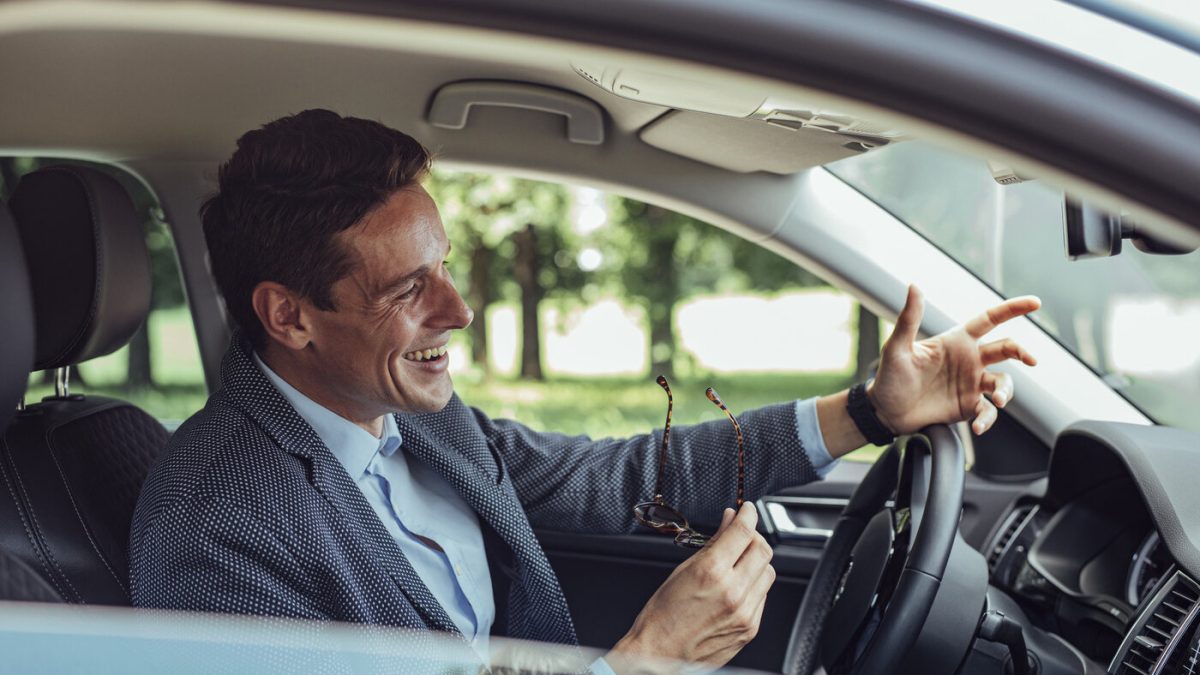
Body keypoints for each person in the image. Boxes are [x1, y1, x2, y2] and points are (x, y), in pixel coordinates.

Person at [128, 109, 1040, 672]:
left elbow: (620, 476)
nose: (461, 309)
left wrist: (872, 412)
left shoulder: (417, 424)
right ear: (289, 317)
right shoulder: (212, 527)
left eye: (443, 267)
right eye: (410, 289)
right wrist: (645, 660)